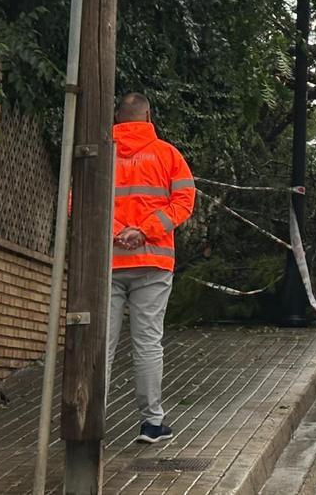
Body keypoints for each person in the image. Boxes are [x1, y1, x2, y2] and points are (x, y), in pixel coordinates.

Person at [108, 92, 196, 444]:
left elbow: (76, 200)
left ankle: (90, 422)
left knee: (101, 343)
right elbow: (184, 202)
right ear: (148, 116)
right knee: (147, 342)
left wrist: (117, 233)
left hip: (108, 261)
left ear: (118, 117)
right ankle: (151, 423)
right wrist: (144, 230)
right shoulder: (168, 155)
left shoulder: (101, 152)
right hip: (153, 261)